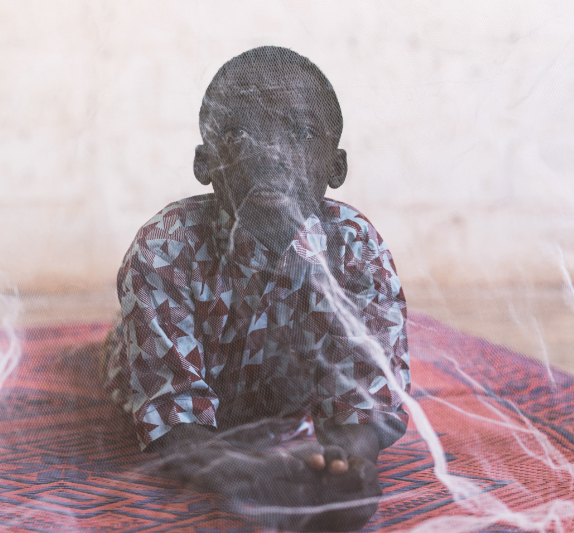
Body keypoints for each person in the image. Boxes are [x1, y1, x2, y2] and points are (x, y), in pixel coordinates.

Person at [101, 46, 410, 531]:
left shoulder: (354, 247)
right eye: (239, 134)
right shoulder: (166, 246)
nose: (270, 155)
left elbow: (367, 397)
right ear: (205, 163)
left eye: (302, 133)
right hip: (150, 374)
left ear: (336, 167)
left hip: (277, 400)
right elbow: (170, 419)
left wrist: (351, 462)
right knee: (117, 353)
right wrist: (244, 475)